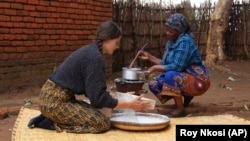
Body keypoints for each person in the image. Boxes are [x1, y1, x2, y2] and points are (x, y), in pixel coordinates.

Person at [27, 21, 149, 133]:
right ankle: (53, 123)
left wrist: (122, 98)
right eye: (116, 43)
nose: (117, 47)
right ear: (107, 39)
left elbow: (93, 91)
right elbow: (97, 100)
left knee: (96, 112)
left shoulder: (92, 52)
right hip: (54, 103)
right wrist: (128, 105)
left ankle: (51, 117)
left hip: (54, 99)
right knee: (102, 123)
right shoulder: (95, 58)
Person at [138, 13, 210, 118]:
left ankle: (180, 109)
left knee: (170, 76)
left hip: (198, 79)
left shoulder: (185, 41)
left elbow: (176, 67)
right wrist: (149, 57)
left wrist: (153, 68)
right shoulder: (171, 42)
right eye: (166, 30)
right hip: (185, 75)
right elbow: (166, 64)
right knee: (154, 84)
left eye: (170, 31)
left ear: (179, 32)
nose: (167, 33)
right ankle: (184, 98)